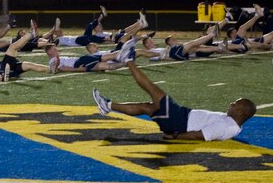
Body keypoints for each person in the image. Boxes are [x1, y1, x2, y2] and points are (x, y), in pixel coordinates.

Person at [92, 60, 255, 141]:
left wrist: (176, 135)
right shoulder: (232, 125)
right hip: (181, 117)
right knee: (147, 107)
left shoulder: (226, 127)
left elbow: (200, 135)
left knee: (152, 89)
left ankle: (128, 60)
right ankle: (107, 105)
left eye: (235, 104)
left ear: (241, 112)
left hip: (179, 120)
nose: (231, 104)